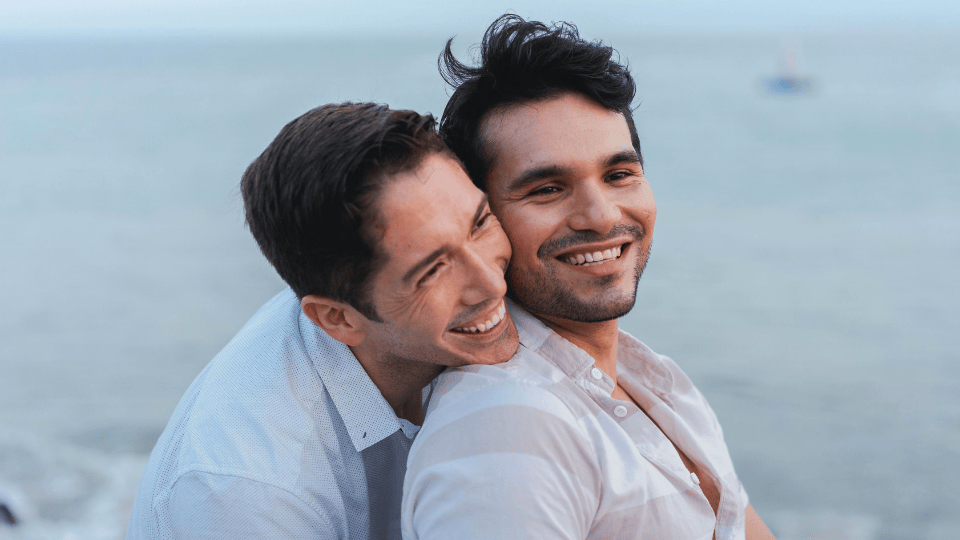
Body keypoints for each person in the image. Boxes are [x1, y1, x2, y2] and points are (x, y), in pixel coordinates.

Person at [402, 15, 777, 540]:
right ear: (481, 220)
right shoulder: (505, 432)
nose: (601, 216)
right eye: (547, 189)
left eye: (619, 174)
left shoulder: (654, 379)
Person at [127, 102, 519, 540]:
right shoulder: (251, 493)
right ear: (337, 319)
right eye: (432, 271)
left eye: (480, 223)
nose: (491, 283)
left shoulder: (421, 324)